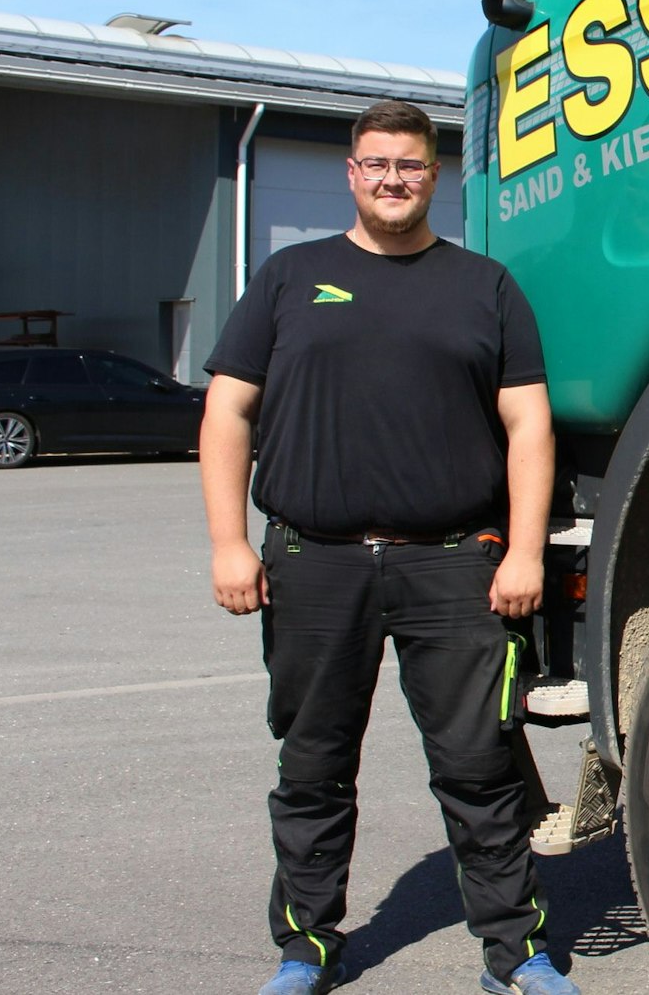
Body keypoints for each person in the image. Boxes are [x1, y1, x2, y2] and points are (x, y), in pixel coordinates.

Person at [200, 100, 581, 995]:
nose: (393, 180)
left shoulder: (483, 285)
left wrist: (525, 551)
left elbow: (528, 425)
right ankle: (306, 945)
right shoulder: (292, 276)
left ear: (433, 176)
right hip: (314, 561)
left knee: (479, 768)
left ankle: (515, 951)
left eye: (410, 165)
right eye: (376, 164)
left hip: (453, 561)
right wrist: (227, 542)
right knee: (313, 765)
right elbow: (227, 410)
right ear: (352, 172)